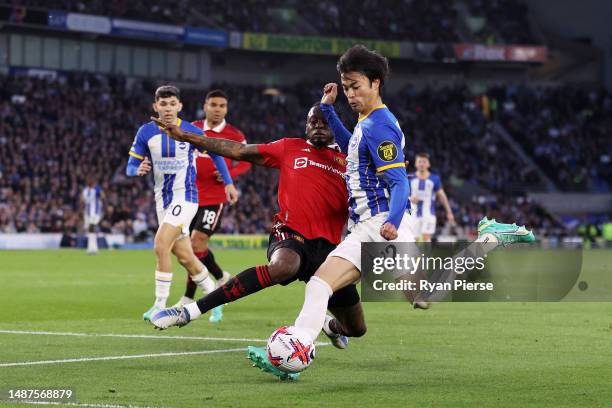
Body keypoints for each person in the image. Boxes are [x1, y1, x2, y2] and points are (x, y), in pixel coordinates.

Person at [259, 45, 535, 378]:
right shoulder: (365, 121)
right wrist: (328, 110)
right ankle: (299, 347)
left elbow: (400, 183)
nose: (350, 93)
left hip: (379, 225)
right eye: (345, 87)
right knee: (323, 286)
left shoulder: (381, 125)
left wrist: (391, 222)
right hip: (364, 227)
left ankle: (489, 238)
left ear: (375, 83)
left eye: (355, 86)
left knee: (416, 296)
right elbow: (352, 148)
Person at [150, 103, 367, 367]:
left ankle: (330, 327)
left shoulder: (352, 162)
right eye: (313, 121)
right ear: (306, 126)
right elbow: (238, 150)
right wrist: (187, 136)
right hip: (291, 235)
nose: (318, 126)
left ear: (336, 126)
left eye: (324, 122)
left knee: (356, 328)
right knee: (285, 266)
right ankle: (189, 311)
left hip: (331, 250)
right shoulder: (290, 147)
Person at [125, 85, 239, 321]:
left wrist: (228, 183)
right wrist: (138, 169)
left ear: (180, 106)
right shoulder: (146, 132)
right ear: (155, 106)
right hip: (162, 200)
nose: (167, 108)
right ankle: (214, 298)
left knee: (160, 245)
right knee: (185, 256)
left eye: (172, 104)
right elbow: (130, 165)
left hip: (186, 197)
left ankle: (159, 305)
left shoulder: (189, 130)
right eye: (163, 104)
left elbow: (216, 154)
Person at [175, 89, 251, 323]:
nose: (217, 109)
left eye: (222, 106)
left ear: (226, 109)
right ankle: (221, 277)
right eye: (213, 105)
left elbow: (246, 160)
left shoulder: (235, 135)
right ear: (205, 106)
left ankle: (188, 297)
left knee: (196, 243)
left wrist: (230, 174)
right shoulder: (193, 128)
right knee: (187, 247)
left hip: (214, 198)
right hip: (189, 196)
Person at [407, 153, 455, 242]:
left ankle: (426, 256)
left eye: (424, 162)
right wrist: (410, 198)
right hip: (413, 214)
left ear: (428, 164)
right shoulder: (410, 178)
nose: (422, 164)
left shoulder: (434, 179)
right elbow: (402, 195)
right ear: (415, 164)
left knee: (426, 238)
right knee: (414, 239)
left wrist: (449, 212)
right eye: (419, 161)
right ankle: (415, 256)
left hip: (428, 214)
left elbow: (442, 196)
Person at [81, 176, 104, 255]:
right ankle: (92, 249)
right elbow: (82, 201)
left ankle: (93, 249)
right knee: (90, 230)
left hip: (95, 213)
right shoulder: (85, 190)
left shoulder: (96, 189)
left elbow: (103, 196)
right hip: (87, 213)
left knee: (92, 228)